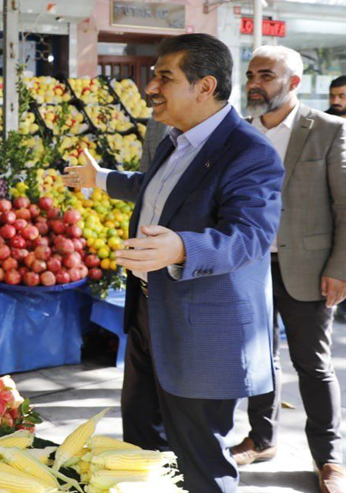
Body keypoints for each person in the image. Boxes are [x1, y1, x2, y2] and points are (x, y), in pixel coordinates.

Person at [63, 33, 283, 492]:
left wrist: (181, 247)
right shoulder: (174, 140)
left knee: (200, 461)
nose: (150, 87)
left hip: (201, 330)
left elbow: (251, 237)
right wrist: (100, 178)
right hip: (149, 314)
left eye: (164, 77)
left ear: (205, 87)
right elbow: (158, 188)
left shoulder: (250, 152)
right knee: (142, 451)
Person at [232, 46, 345, 493]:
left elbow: (345, 206)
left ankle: (330, 457)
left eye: (266, 75)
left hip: (309, 267)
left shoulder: (329, 129)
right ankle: (262, 438)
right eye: (251, 74)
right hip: (249, 266)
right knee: (258, 360)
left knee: (313, 365)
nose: (254, 83)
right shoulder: (238, 132)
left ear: (294, 82)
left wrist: (341, 267)